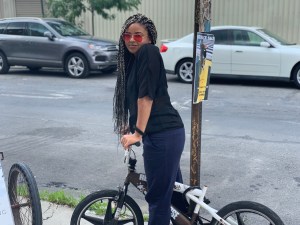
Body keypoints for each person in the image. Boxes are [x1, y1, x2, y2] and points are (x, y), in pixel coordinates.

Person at [113, 13, 185, 225]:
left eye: (138, 35)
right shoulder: (136, 61)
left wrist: (137, 134)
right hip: (164, 135)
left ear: (150, 38)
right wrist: (131, 125)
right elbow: (139, 101)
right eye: (128, 36)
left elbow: (146, 97)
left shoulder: (148, 52)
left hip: (163, 136)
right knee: (173, 199)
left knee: (158, 201)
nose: (132, 40)